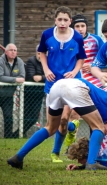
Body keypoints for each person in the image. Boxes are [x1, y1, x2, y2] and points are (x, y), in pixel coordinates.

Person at [7, 73, 107, 170]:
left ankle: (18, 157)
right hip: (76, 88)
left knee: (50, 127)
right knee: (99, 127)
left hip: (57, 86)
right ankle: (91, 164)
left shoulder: (106, 91)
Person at [36, 6, 87, 162]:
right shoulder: (47, 35)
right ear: (55, 20)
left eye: (66, 20)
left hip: (70, 84)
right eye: (60, 19)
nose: (63, 22)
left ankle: (55, 153)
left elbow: (81, 58)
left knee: (64, 119)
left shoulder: (77, 37)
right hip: (52, 83)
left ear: (70, 21)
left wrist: (74, 72)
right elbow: (42, 53)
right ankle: (72, 129)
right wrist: (46, 70)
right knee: (54, 124)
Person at [61, 14, 104, 153]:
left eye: (83, 26)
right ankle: (71, 145)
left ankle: (94, 145)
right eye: (77, 26)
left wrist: (92, 65)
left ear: (86, 27)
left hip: (94, 82)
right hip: (76, 80)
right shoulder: (70, 40)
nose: (80, 29)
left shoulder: (96, 40)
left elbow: (105, 58)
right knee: (73, 115)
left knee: (96, 114)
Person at [0, 43, 25, 138]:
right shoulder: (0, 61)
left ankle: (8, 137)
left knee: (8, 117)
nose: (13, 52)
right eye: (11, 50)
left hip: (8, 95)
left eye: (15, 50)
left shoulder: (19, 62)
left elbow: (22, 76)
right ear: (6, 52)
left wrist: (13, 79)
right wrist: (14, 80)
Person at [23, 44, 45, 137]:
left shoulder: (47, 62)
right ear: (36, 53)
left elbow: (52, 76)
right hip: (29, 93)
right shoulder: (31, 61)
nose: (40, 56)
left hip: (39, 93)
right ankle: (19, 133)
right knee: (27, 116)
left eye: (42, 53)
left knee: (34, 117)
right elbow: (31, 77)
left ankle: (17, 133)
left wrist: (41, 77)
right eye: (39, 53)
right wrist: (44, 77)